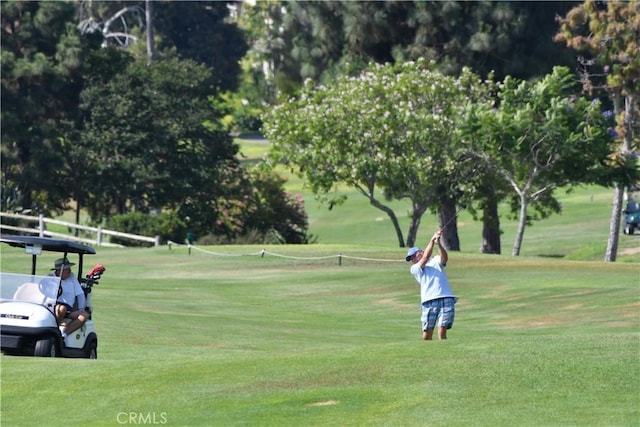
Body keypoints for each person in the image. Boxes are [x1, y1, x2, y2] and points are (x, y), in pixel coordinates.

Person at [405, 229, 457, 340]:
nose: (413, 259)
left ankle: (444, 350)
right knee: (427, 333)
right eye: (411, 258)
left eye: (414, 255)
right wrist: (432, 240)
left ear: (421, 251)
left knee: (442, 328)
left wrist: (438, 243)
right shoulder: (415, 268)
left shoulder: (436, 259)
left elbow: (444, 258)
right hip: (429, 301)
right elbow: (425, 258)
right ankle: (427, 351)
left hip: (445, 296)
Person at [50, 257, 88, 339]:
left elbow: (80, 294)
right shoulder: (50, 278)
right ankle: (53, 331)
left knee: (84, 315)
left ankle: (63, 335)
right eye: (67, 269)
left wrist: (81, 308)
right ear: (59, 270)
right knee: (61, 309)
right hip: (53, 307)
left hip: (69, 309)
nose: (70, 271)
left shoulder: (72, 278)